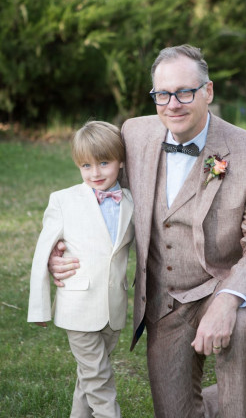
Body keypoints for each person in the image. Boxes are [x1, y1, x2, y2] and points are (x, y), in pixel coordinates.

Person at [48, 45, 246, 418]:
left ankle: (245, 380)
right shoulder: (135, 133)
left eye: (185, 92)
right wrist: (59, 247)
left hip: (224, 284)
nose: (172, 104)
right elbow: (101, 193)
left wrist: (227, 299)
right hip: (165, 299)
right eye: (162, 94)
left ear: (208, 92)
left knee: (238, 329)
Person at [27, 121, 134, 418]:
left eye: (104, 162)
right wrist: (39, 309)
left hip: (113, 310)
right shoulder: (64, 201)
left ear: (121, 160)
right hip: (78, 307)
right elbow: (42, 254)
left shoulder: (130, 201)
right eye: (86, 165)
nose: (95, 173)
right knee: (99, 380)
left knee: (88, 376)